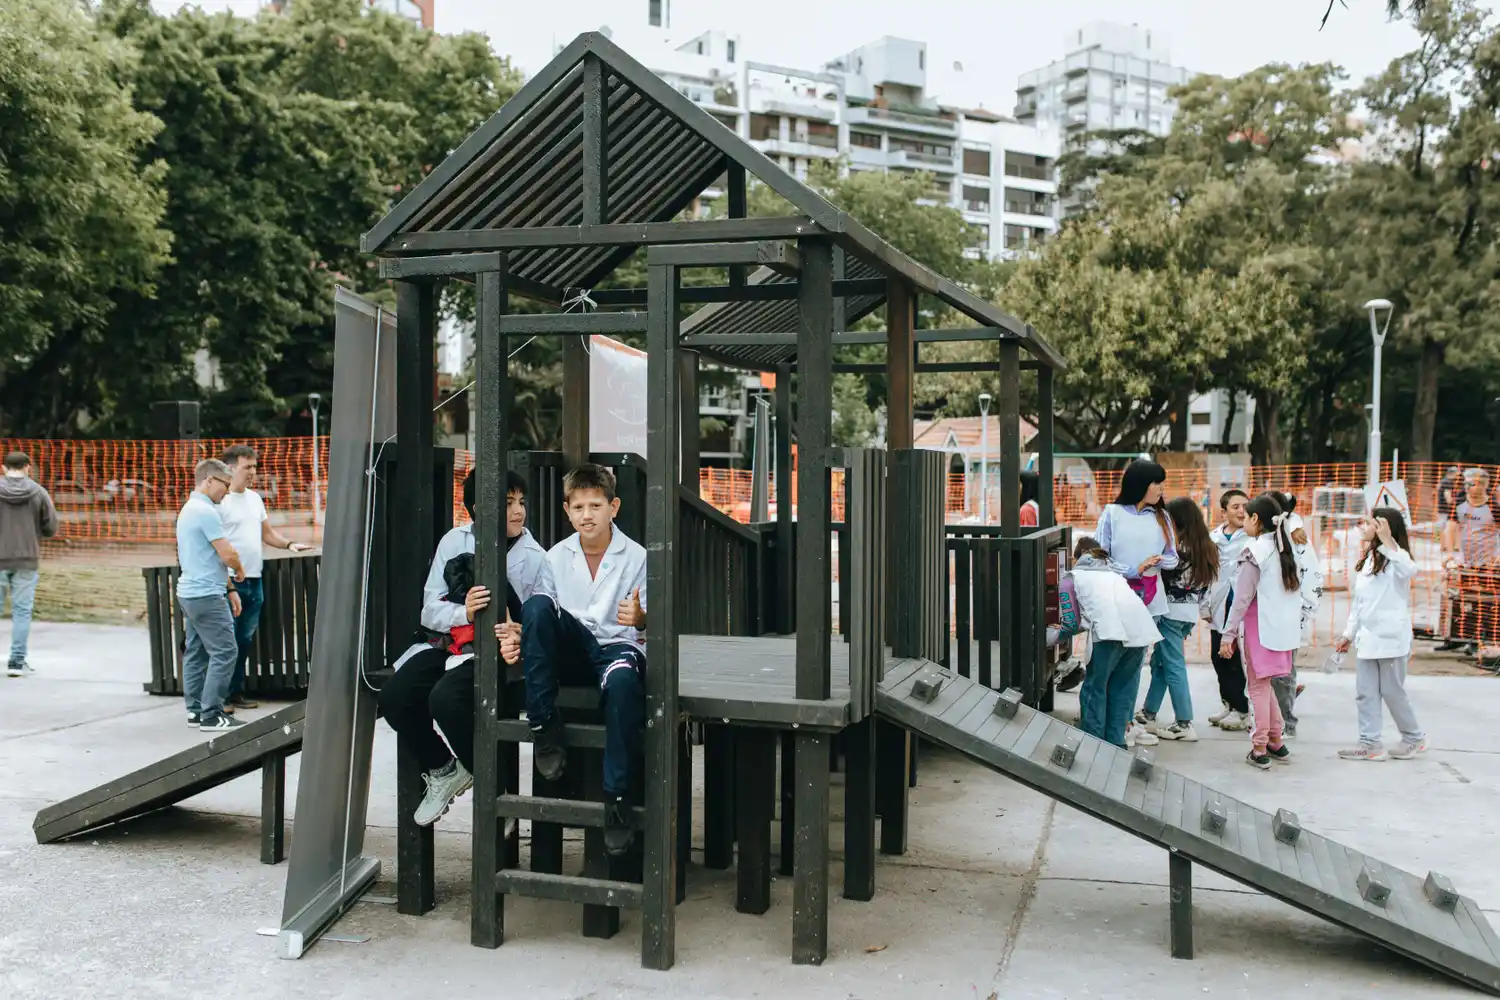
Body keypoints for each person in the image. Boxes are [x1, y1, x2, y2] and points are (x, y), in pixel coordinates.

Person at [377, 469, 555, 827]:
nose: (519, 511)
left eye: (521, 502)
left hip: (501, 653)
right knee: (395, 696)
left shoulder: (536, 556)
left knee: (446, 699)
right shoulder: (453, 542)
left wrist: (519, 628)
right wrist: (465, 611)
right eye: (507, 504)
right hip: (450, 643)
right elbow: (430, 608)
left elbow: (548, 609)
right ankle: (444, 769)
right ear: (478, 508)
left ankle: (494, 793)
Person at [502, 463, 647, 857]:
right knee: (536, 606)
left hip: (618, 648)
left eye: (596, 505)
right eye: (579, 506)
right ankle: (543, 724)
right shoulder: (554, 557)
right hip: (574, 646)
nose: (587, 515)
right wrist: (520, 636)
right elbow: (543, 617)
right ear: (567, 510)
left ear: (613, 507)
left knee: (623, 685)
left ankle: (617, 799)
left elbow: (650, 625)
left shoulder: (637, 556)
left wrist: (642, 618)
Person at [217, 444, 313, 712]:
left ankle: (235, 692)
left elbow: (267, 533)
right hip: (229, 582)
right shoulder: (220, 500)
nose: (253, 472)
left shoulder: (254, 499)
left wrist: (290, 544)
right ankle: (219, 696)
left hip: (254, 579)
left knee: (243, 640)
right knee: (226, 641)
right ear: (231, 468)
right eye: (247, 467)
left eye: (254, 467)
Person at [1335, 509, 1427, 762]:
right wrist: (1348, 634)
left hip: (1391, 640)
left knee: (1392, 691)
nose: (1362, 526)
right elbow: (1359, 603)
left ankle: (1414, 737)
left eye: (1369, 522)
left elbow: (1411, 569)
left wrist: (1388, 540)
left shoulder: (1397, 559)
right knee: (1365, 692)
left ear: (1383, 527)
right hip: (1368, 639)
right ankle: (1370, 743)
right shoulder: (1369, 559)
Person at [1219, 494, 1302, 770]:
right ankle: (1276, 740)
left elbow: (1241, 599)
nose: (1243, 519)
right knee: (1265, 687)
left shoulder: (1253, 552)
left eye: (1246, 516)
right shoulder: (1283, 549)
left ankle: (1259, 747)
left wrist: (1228, 634)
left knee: (1256, 687)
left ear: (1256, 520)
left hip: (1258, 630)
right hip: (1281, 633)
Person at [1136, 497, 1218, 742]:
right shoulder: (1205, 549)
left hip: (1169, 614)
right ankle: (1149, 713)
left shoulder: (1175, 554)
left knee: (1172, 666)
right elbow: (1205, 590)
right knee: (1161, 663)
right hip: (1188, 614)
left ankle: (1184, 722)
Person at [1069, 535, 1162, 749]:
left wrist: (1051, 637)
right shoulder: (1114, 574)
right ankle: (1115, 745)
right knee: (1122, 689)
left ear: (1077, 558)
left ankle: (1092, 744)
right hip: (1140, 630)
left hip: (1108, 632)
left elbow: (1069, 622)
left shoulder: (1074, 576)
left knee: (1095, 688)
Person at [176, 459, 247, 731]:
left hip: (192, 592)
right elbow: (226, 553)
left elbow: (207, 558)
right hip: (206, 595)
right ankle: (212, 714)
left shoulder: (189, 509)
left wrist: (229, 589)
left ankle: (195, 711)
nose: (227, 492)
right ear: (209, 481)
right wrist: (239, 570)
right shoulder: (205, 512)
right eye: (224, 485)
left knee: (195, 652)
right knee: (225, 651)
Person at [1267, 492, 1323, 738]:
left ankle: (1286, 722)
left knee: (1283, 671)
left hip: (1289, 617)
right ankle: (1267, 719)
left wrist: (1302, 612)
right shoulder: (1265, 538)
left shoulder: (1296, 537)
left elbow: (1311, 579)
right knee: (1268, 671)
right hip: (1265, 617)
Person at [1, 451, 59, 677]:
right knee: (22, 612)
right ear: (27, 467)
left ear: (4, 468)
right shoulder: (38, 492)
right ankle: (16, 662)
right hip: (26, 558)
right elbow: (51, 527)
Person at [1439, 468, 1500, 658]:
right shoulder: (1458, 504)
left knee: (1486, 600)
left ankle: (1483, 638)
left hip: (1489, 561)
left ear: (1484, 485)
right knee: (1458, 597)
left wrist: (1498, 556)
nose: (1469, 487)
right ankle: (1456, 636)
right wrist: (1449, 554)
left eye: (1473, 483)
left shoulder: (1494, 506)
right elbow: (1450, 528)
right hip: (1466, 560)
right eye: (1467, 483)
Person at [1204, 489, 1251, 731]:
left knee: (1236, 660)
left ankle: (1243, 710)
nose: (1242, 510)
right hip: (1219, 606)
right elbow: (1207, 574)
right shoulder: (1213, 539)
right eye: (1235, 507)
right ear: (1224, 512)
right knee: (1218, 657)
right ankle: (1230, 704)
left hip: (1242, 608)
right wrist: (1205, 605)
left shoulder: (1253, 537)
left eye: (1245, 505)